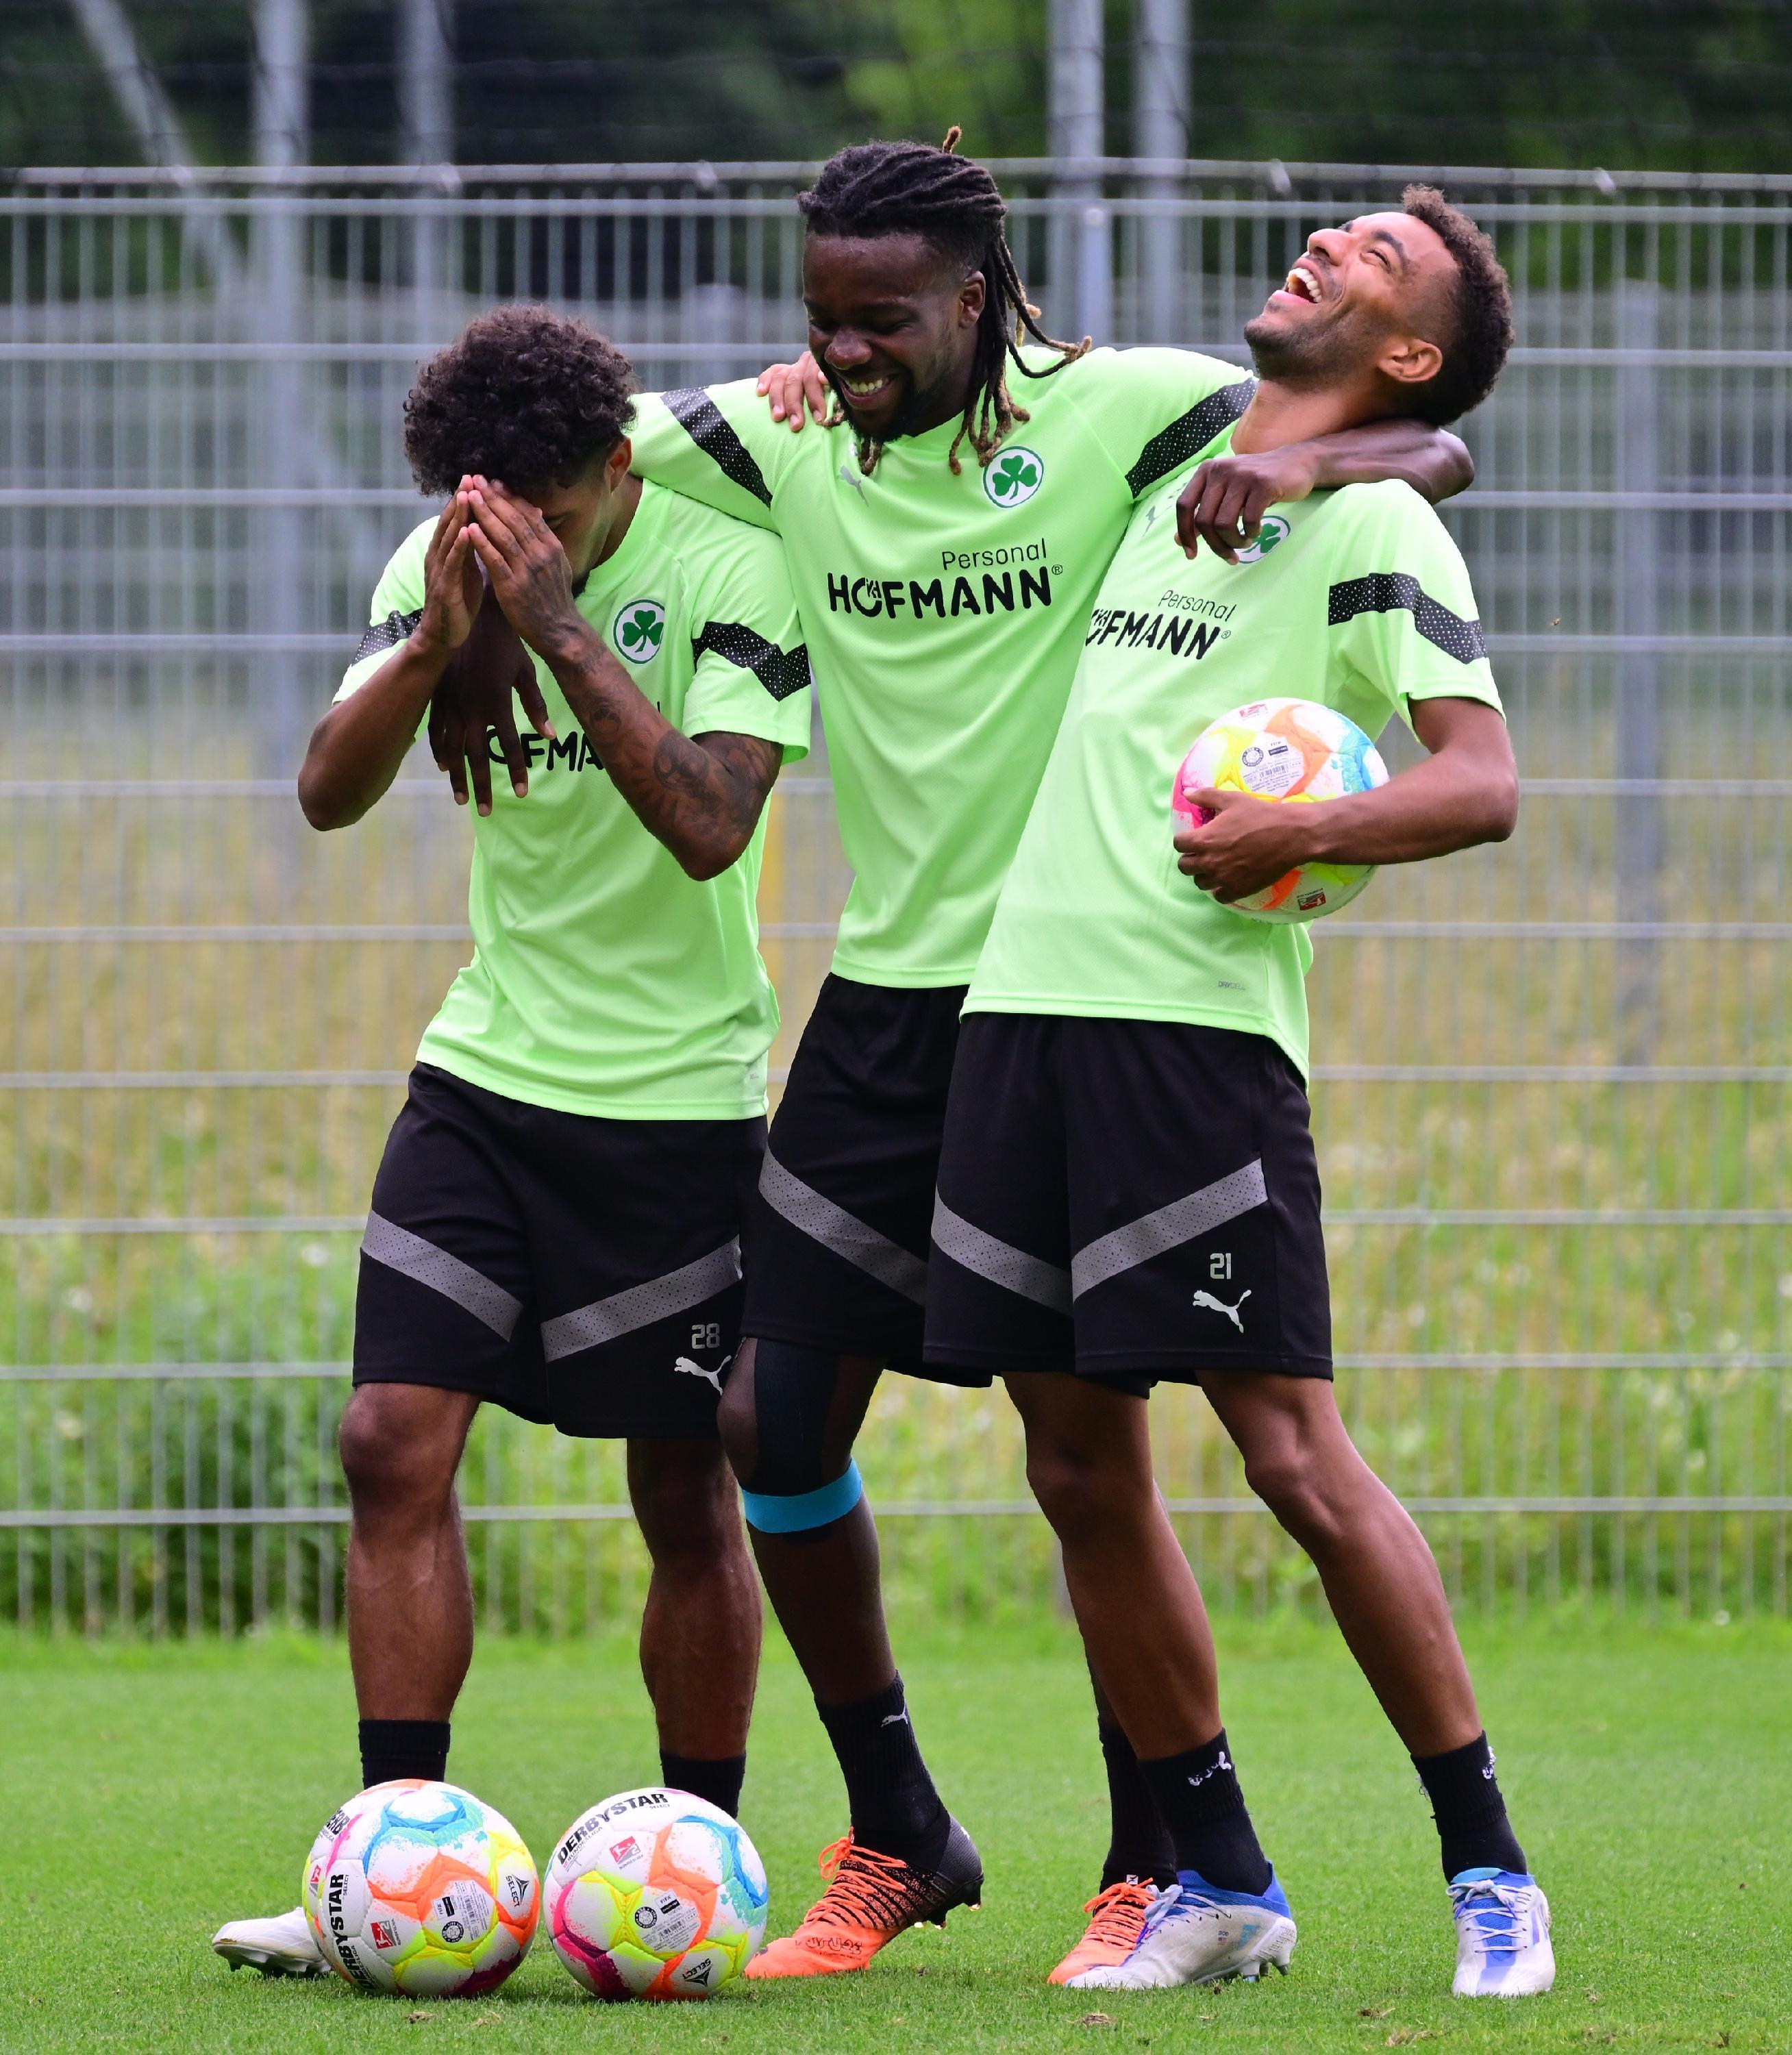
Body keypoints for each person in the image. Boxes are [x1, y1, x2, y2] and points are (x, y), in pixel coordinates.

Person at [609, 132, 1478, 1982]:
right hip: (886, 995)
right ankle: (899, 1828)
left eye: (882, 318)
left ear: (979, 298)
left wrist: (1300, 461)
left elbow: (1423, 445)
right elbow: (578, 450)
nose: (844, 347)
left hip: (1070, 992)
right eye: (822, 316)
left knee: (1084, 1443)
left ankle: (1154, 1860)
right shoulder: (780, 433)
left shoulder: (1133, 411)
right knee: (770, 1419)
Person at [924, 187, 1554, 1997]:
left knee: (1289, 1454)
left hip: (1193, 1038)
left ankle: (1491, 1871)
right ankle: (1221, 1879)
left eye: (1376, 258)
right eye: (1336, 229)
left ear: (1410, 350)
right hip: (1020, 1009)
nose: (1329, 245)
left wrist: (1305, 827)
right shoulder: (1171, 473)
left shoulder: (1372, 521)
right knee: (1074, 1463)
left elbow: (1482, 782)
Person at [210, 306, 812, 1978]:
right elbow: (326, 793)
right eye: (485, 513)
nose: (513, 540)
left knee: (683, 1486)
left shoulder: (734, 570)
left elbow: (710, 826)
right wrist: (434, 642)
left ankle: (699, 1870)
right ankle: (383, 1862)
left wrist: (555, 628)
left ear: (618, 470)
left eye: (546, 514)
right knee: (389, 1441)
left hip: (678, 1105)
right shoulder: (445, 565)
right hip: (482, 1084)